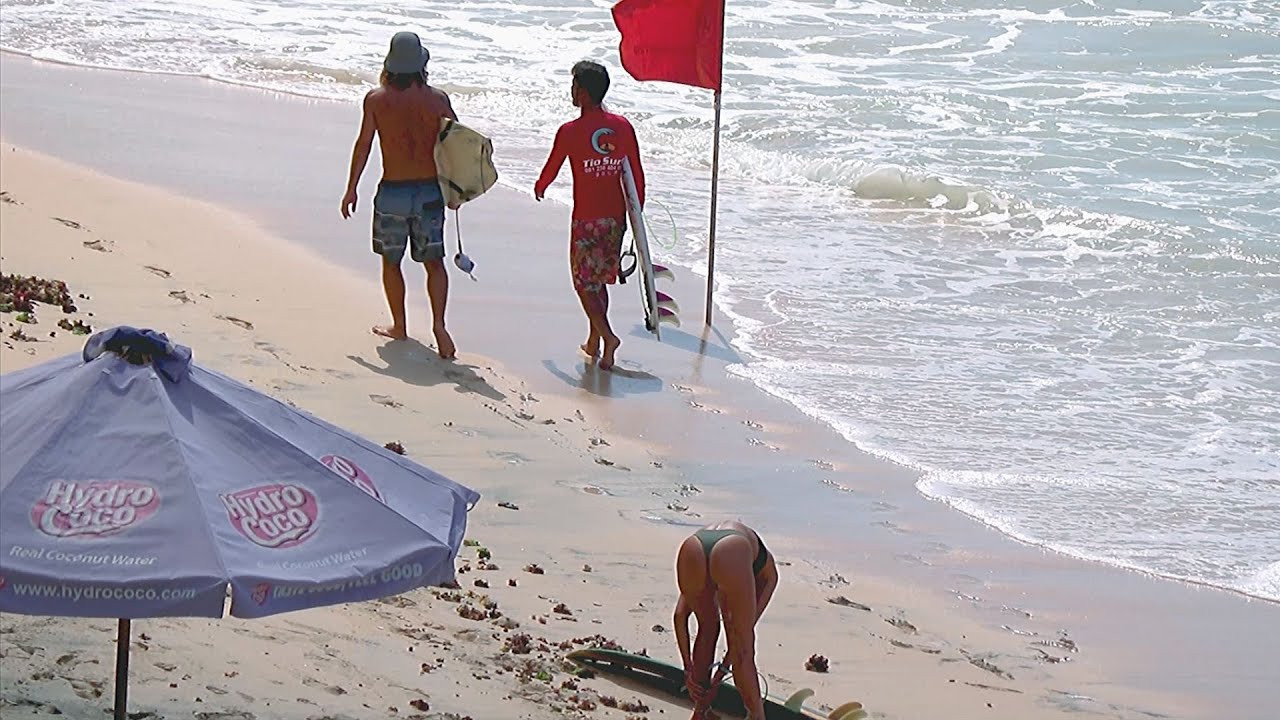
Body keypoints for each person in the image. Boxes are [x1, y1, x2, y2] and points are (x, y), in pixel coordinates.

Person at [341, 31, 458, 359]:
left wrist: (352, 188)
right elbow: (457, 144)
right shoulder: (438, 100)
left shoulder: (376, 100)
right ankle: (439, 325)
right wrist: (457, 191)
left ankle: (400, 325)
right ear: (421, 65)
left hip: (393, 191)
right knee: (434, 263)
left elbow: (364, 144)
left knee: (391, 262)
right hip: (430, 191)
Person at [533, 60, 645, 371]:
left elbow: (553, 166)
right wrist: (636, 213)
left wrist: (541, 186)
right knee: (599, 281)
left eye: (574, 86)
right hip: (615, 218)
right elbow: (636, 173)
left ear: (582, 92)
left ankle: (608, 337)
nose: (571, 91)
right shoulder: (623, 126)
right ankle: (595, 342)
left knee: (583, 282)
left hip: (586, 218)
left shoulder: (570, 131)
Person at [673, 521, 779, 720]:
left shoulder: (759, 571)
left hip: (694, 545)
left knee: (707, 628)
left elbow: (680, 616)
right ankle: (757, 716)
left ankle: (701, 711)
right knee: (744, 647)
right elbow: (740, 643)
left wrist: (689, 671)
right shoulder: (768, 577)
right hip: (732, 548)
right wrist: (720, 674)